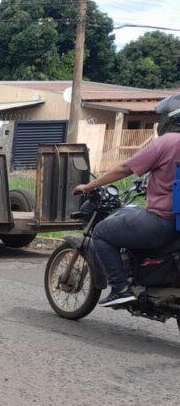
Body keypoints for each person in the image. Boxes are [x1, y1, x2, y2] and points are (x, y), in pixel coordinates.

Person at [73, 93, 180, 307]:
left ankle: (120, 288)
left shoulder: (168, 141)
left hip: (163, 221)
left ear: (170, 119)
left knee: (102, 232)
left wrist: (88, 186)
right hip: (175, 225)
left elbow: (125, 168)